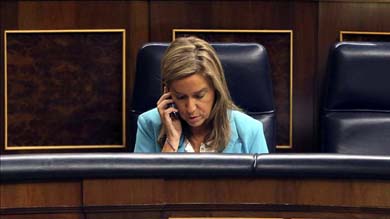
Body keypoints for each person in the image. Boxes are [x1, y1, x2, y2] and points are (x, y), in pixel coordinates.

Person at [134, 36, 268, 153]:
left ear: (216, 89)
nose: (191, 108)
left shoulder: (250, 131)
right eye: (181, 97)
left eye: (199, 96)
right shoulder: (149, 125)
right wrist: (171, 141)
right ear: (167, 93)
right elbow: (145, 183)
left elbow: (264, 183)